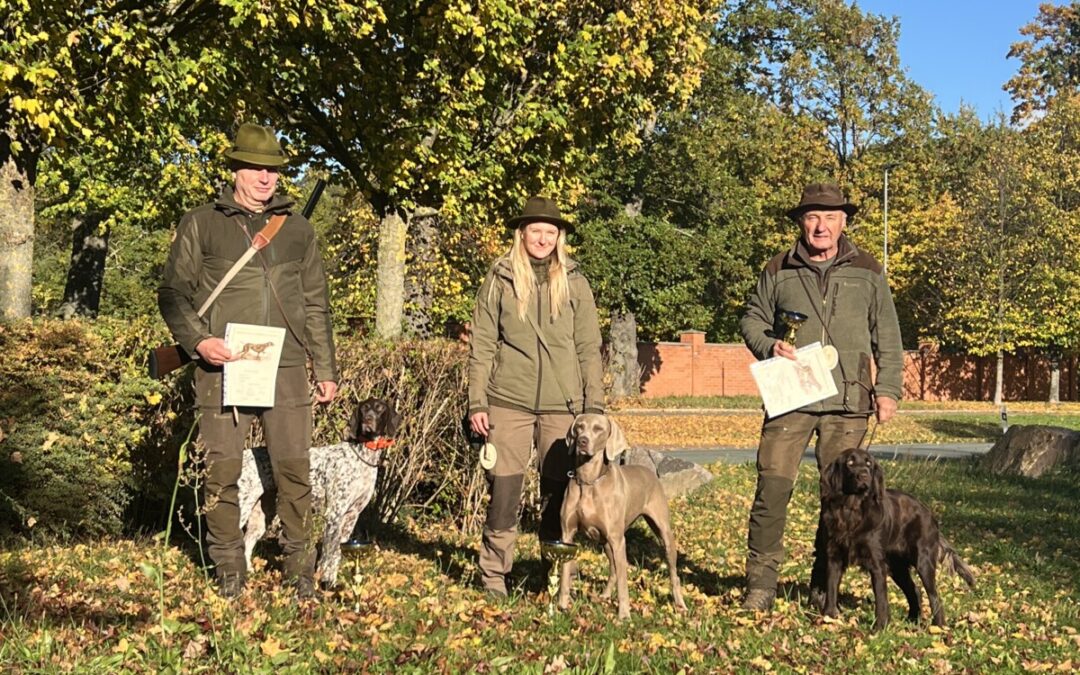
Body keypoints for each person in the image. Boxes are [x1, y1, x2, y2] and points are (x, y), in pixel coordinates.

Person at [158, 123, 338, 599]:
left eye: (274, 170)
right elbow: (173, 293)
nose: (266, 178)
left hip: (285, 366)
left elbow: (316, 303)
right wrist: (199, 343)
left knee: (295, 472)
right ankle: (229, 571)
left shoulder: (299, 230)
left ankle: (301, 571)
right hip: (223, 365)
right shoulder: (202, 222)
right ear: (235, 170)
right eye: (256, 168)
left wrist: (325, 368)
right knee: (221, 470)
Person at [738, 182, 903, 611]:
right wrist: (770, 344)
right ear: (801, 222)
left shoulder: (868, 269)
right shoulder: (778, 268)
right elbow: (751, 320)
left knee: (840, 498)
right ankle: (760, 585)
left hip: (849, 402)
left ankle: (821, 584)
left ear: (843, 222)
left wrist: (887, 390)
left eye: (830, 218)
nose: (821, 226)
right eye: (813, 217)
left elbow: (886, 332)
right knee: (771, 488)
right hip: (790, 397)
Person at [467, 195, 605, 598]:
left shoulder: (576, 282)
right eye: (535, 231)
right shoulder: (500, 278)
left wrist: (592, 406)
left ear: (558, 237)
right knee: (504, 493)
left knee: (559, 495)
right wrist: (478, 401)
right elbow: (483, 345)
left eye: (550, 231)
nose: (543, 239)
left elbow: (588, 347)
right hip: (507, 401)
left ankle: (558, 575)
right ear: (521, 233)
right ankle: (494, 575)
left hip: (563, 407)